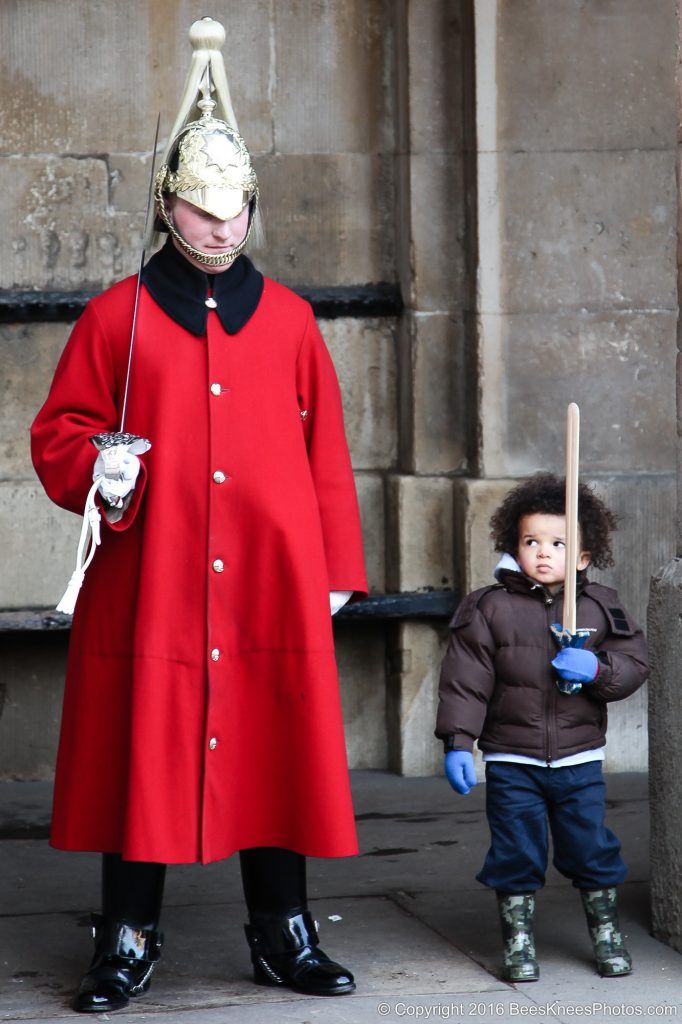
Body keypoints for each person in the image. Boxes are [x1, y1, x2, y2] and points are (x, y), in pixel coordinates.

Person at [31, 18, 366, 1013]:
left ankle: (283, 929)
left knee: (275, 743)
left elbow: (327, 457)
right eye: (200, 208)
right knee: (146, 751)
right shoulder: (113, 318)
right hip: (156, 582)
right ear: (169, 206)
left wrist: (336, 566)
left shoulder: (295, 321)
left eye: (233, 211)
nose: (219, 228)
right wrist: (102, 467)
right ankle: (126, 936)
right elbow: (61, 431)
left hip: (270, 580)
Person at [435, 473, 648, 982]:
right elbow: (465, 679)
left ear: (582, 557)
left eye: (558, 544)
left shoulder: (600, 606)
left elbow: (635, 664)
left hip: (577, 759)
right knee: (516, 849)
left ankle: (605, 932)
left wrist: (598, 669)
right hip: (513, 758)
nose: (544, 553)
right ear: (515, 545)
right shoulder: (490, 607)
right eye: (532, 542)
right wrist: (459, 741)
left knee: (589, 846)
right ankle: (519, 940)